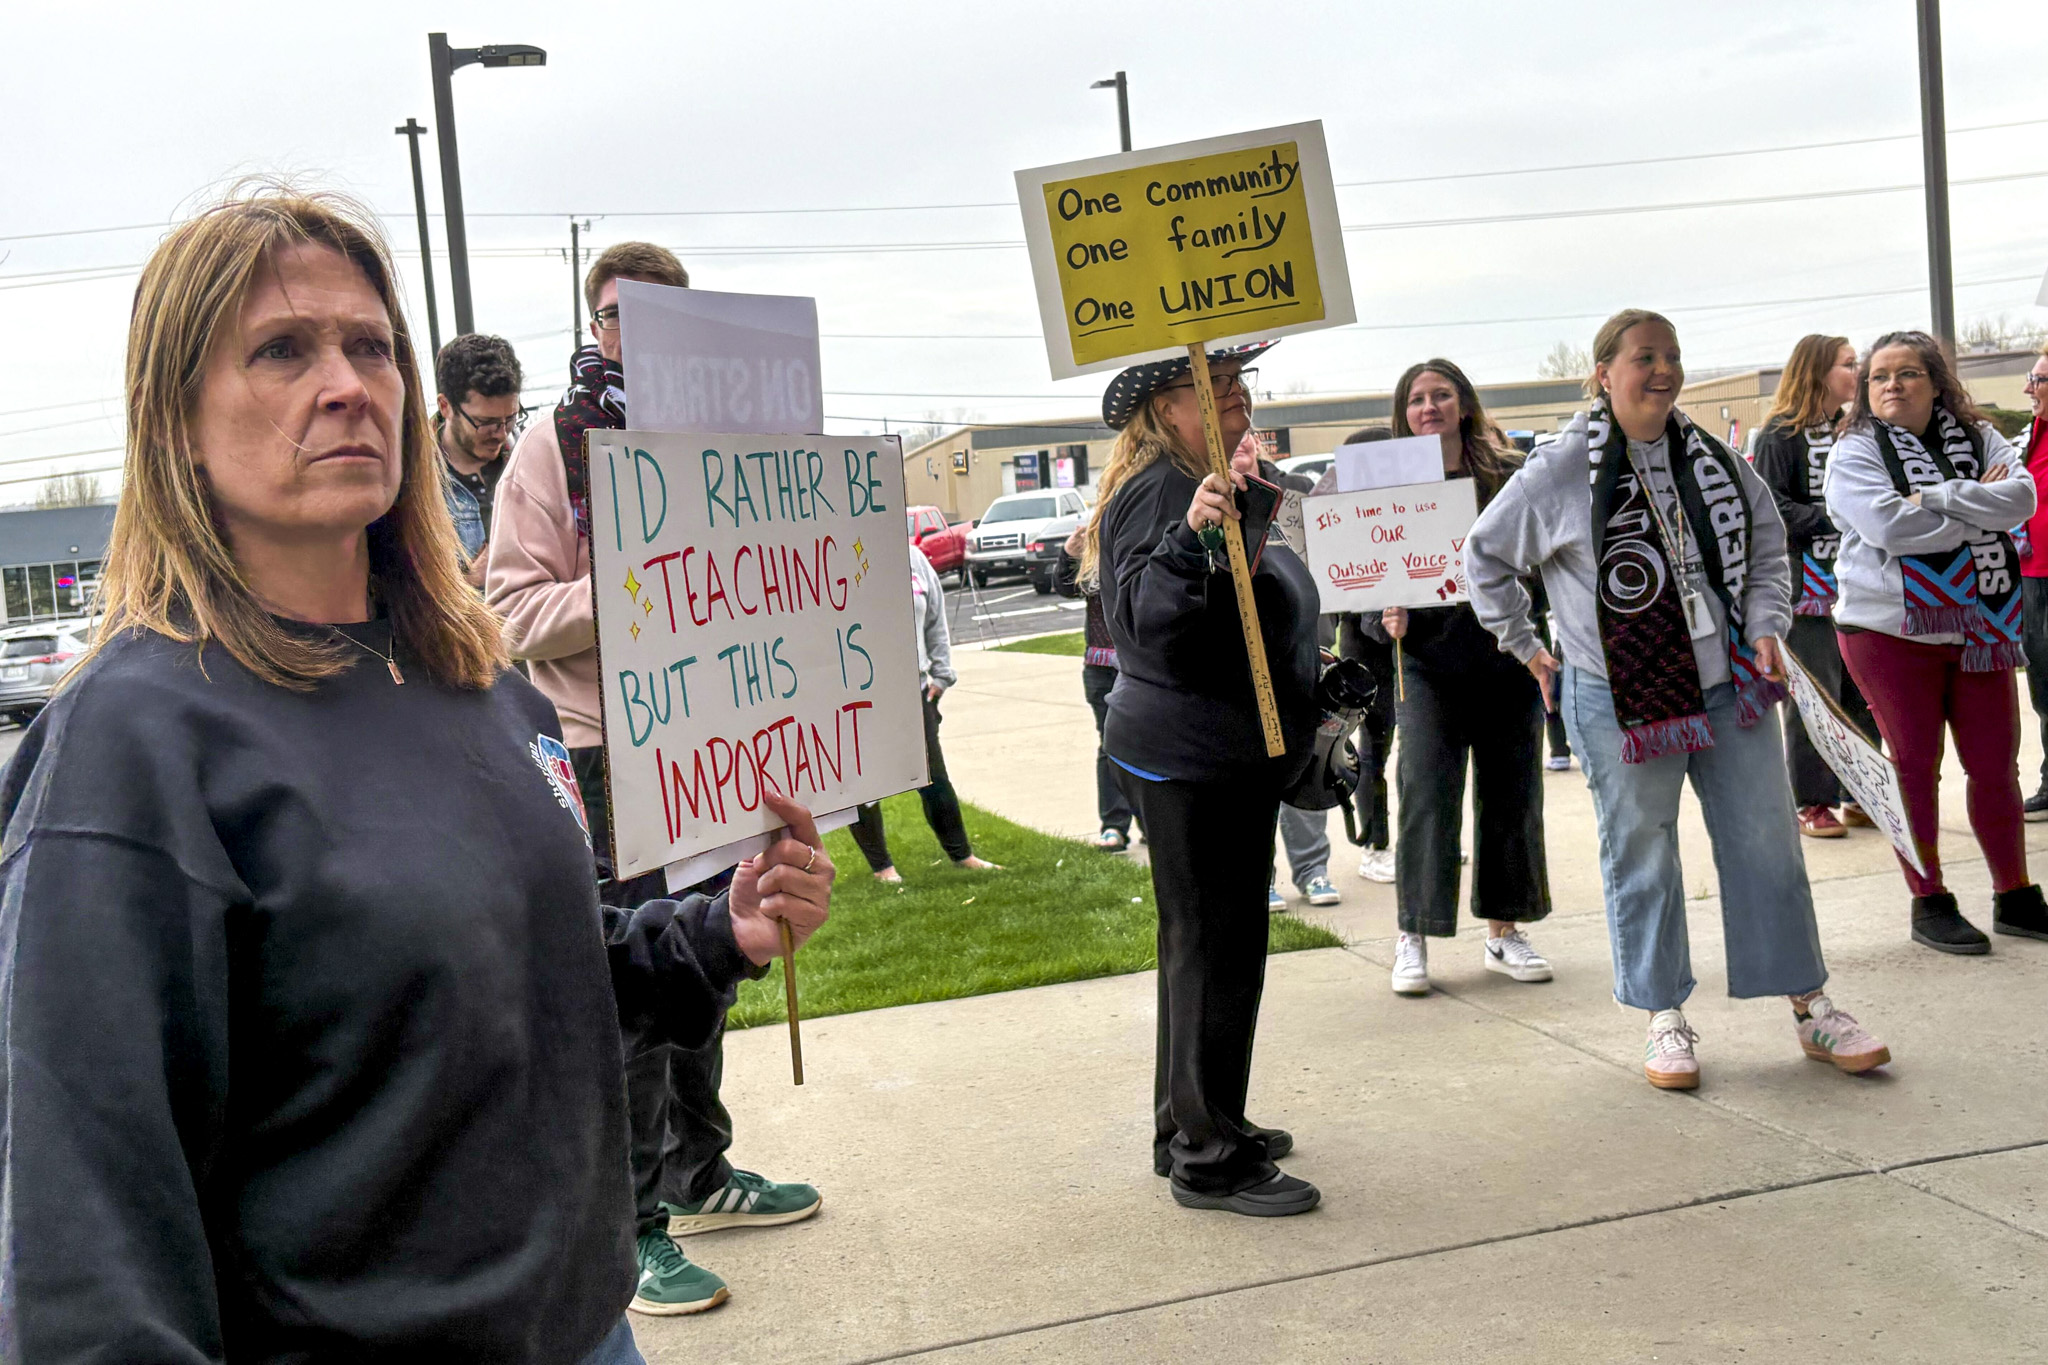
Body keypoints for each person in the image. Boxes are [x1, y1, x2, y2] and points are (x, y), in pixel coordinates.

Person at [0, 187, 835, 1362]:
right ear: (175, 417)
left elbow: (532, 963)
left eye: (370, 346)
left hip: (587, 1330)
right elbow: (83, 1221)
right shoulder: (129, 744)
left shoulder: (479, 683)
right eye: (281, 350)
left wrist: (714, 935)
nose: (347, 383)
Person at [488, 241, 821, 1315]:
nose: (628, 332)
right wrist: (634, 589)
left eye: (653, 313)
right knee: (626, 992)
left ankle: (700, 1172)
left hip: (715, 734)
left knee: (708, 965)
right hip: (607, 750)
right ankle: (631, 1228)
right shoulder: (556, 445)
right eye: (611, 314)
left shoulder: (735, 435)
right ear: (596, 330)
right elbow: (510, 612)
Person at [1468, 309, 1890, 1089]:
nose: (1661, 370)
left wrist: (1765, 623)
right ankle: (1665, 1017)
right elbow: (1485, 555)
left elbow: (1767, 545)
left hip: (1730, 686)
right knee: (1643, 854)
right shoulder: (1562, 468)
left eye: (1672, 356)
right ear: (1604, 373)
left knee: (1768, 842)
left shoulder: (1717, 461)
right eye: (1643, 356)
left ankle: (1812, 1006)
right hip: (1618, 701)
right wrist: (1526, 644)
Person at [1087, 340, 1322, 1216]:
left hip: (1213, 750)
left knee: (1212, 943)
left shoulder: (1201, 479)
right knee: (1214, 945)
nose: (1237, 396)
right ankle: (1209, 1155)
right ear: (1167, 409)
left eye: (1237, 382)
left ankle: (1191, 1121)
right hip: (1190, 754)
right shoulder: (1163, 490)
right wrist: (1191, 540)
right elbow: (1146, 621)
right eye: (1213, 384)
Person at [1824, 329, 2048, 950]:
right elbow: (1892, 528)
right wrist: (1979, 500)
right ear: (1867, 390)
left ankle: (2016, 894)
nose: (1891, 385)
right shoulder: (1854, 451)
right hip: (1888, 631)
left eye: (1908, 373)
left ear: (1935, 381)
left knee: (1996, 766)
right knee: (1915, 769)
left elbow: (2022, 498)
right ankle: (1930, 902)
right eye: (1878, 376)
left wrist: (1936, 495)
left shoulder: (1976, 434)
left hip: (1983, 623)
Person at [1366, 360, 1552, 995]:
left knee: (1512, 794)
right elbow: (1363, 573)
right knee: (1425, 794)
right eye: (1417, 398)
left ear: (1464, 403)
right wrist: (1380, 617)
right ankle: (1413, 935)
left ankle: (1505, 933)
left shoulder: (1507, 474)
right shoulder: (1386, 484)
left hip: (1510, 658)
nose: (1429, 407)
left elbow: (1544, 557)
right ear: (1404, 414)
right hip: (1426, 663)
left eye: (1441, 395)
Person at [1751, 334, 1877, 838]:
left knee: (1864, 693)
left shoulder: (1860, 431)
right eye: (1849, 364)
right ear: (1818, 372)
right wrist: (1837, 519)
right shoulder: (1778, 435)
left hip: (1862, 585)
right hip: (1805, 588)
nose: (1859, 371)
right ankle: (1812, 801)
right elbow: (1770, 507)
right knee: (1816, 695)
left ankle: (1864, 792)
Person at [847, 544, 1001, 880]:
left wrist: (942, 674)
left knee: (933, 776)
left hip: (911, 690)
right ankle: (882, 868)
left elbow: (934, 618)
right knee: (864, 784)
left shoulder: (912, 557)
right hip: (856, 693)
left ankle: (963, 855)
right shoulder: (840, 549)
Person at [1327, 427, 1400, 883]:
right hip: (1365, 648)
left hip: (1414, 647)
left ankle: (1415, 832)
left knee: (1417, 750)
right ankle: (1376, 842)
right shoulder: (1341, 514)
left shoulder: (1409, 506)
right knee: (1374, 748)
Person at [1054, 520, 1140, 851]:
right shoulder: (1094, 548)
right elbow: (1064, 586)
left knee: (1153, 745)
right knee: (1111, 746)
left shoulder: (1144, 542)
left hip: (1143, 665)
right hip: (1102, 668)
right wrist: (1069, 554)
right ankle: (1114, 826)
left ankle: (1151, 819)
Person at [433, 332, 523, 588]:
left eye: (510, 418)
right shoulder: (415, 486)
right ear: (445, 406)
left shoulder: (527, 463)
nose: (501, 432)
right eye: (485, 423)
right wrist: (470, 583)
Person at [2015, 344, 2048, 820]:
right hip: (2032, 575)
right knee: (2044, 684)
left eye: (2039, 380)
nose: (2029, 388)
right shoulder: (2030, 433)